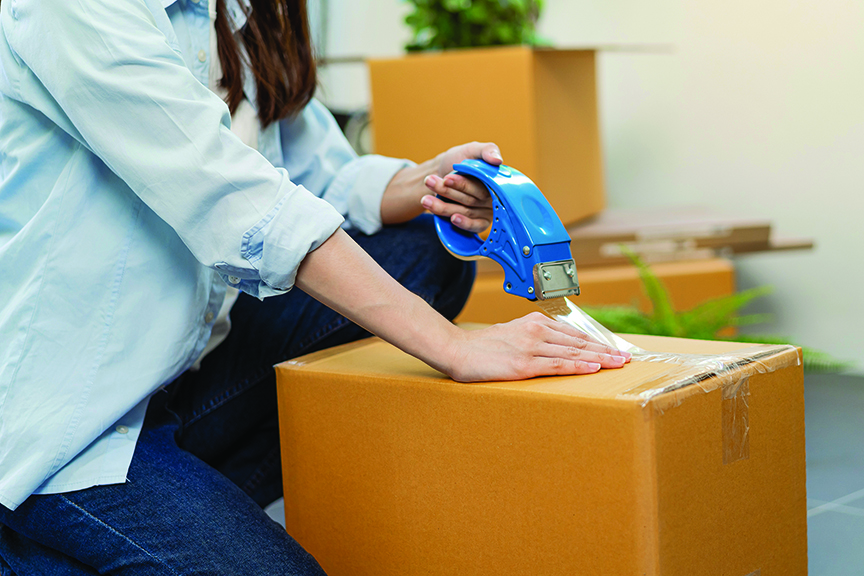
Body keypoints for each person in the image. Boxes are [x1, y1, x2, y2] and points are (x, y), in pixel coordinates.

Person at [0, 0, 630, 572]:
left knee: (422, 251)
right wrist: (456, 347)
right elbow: (236, 198)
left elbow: (310, 175)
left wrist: (424, 185)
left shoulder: (239, 15)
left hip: (181, 379)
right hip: (72, 422)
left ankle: (182, 506)